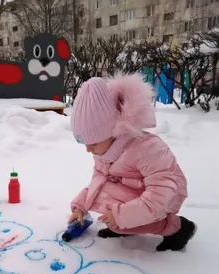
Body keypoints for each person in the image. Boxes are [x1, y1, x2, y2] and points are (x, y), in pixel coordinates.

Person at [67, 73, 197, 252]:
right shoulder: (105, 149)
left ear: (112, 131)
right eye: (85, 143)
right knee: (103, 197)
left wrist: (122, 216)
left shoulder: (148, 149)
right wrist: (80, 207)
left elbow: (162, 193)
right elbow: (98, 181)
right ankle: (125, 226)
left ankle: (177, 228)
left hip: (167, 197)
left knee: (116, 217)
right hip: (135, 191)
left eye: (93, 142)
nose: (88, 150)